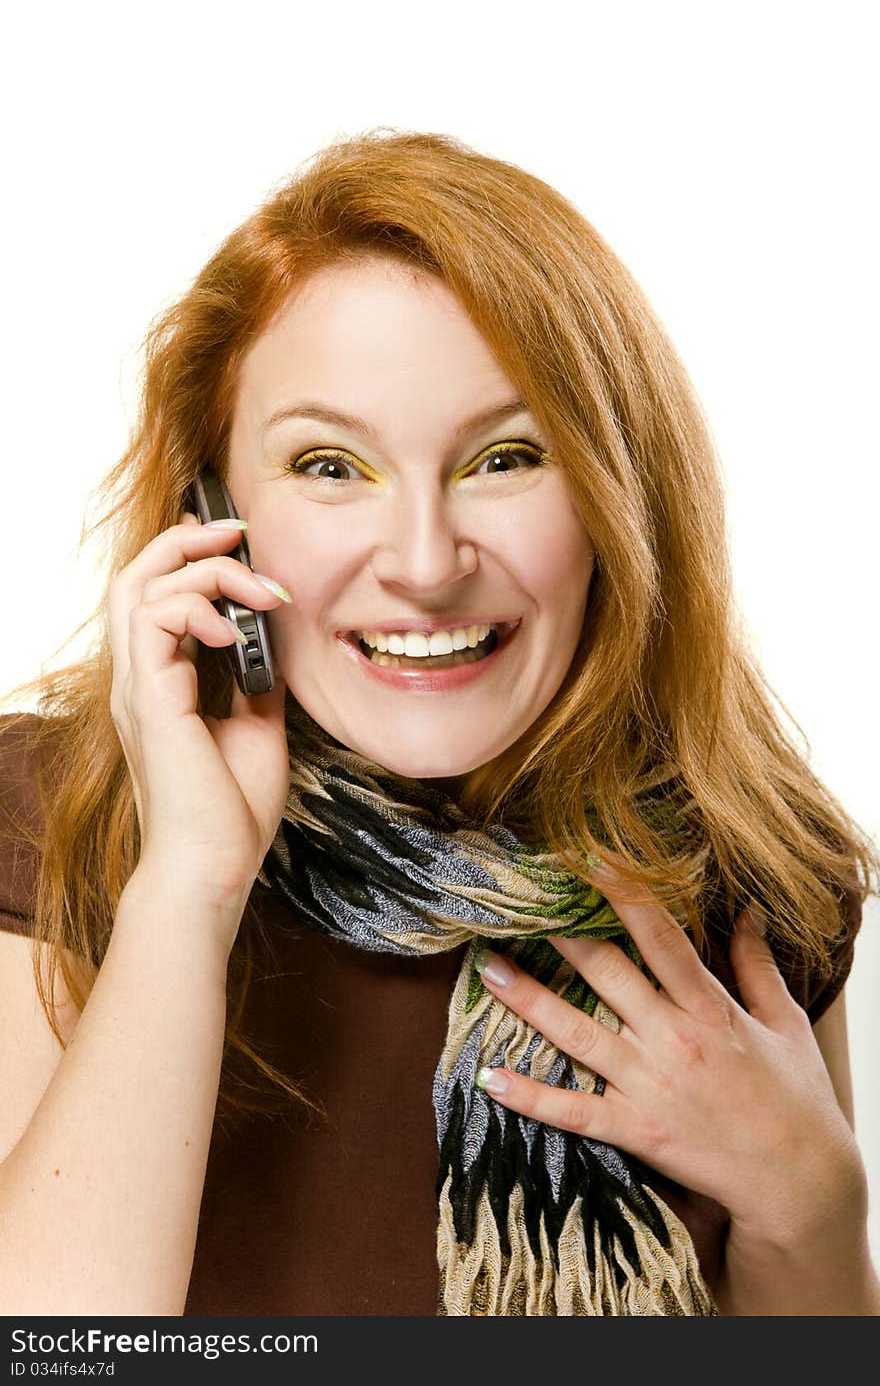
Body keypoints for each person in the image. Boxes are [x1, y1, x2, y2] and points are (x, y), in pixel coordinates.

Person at [0, 127, 877, 1318]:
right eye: (329, 466)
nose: (422, 563)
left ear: (621, 497)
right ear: (216, 511)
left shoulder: (755, 866)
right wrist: (190, 884)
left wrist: (811, 1208)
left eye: (505, 457)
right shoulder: (54, 826)